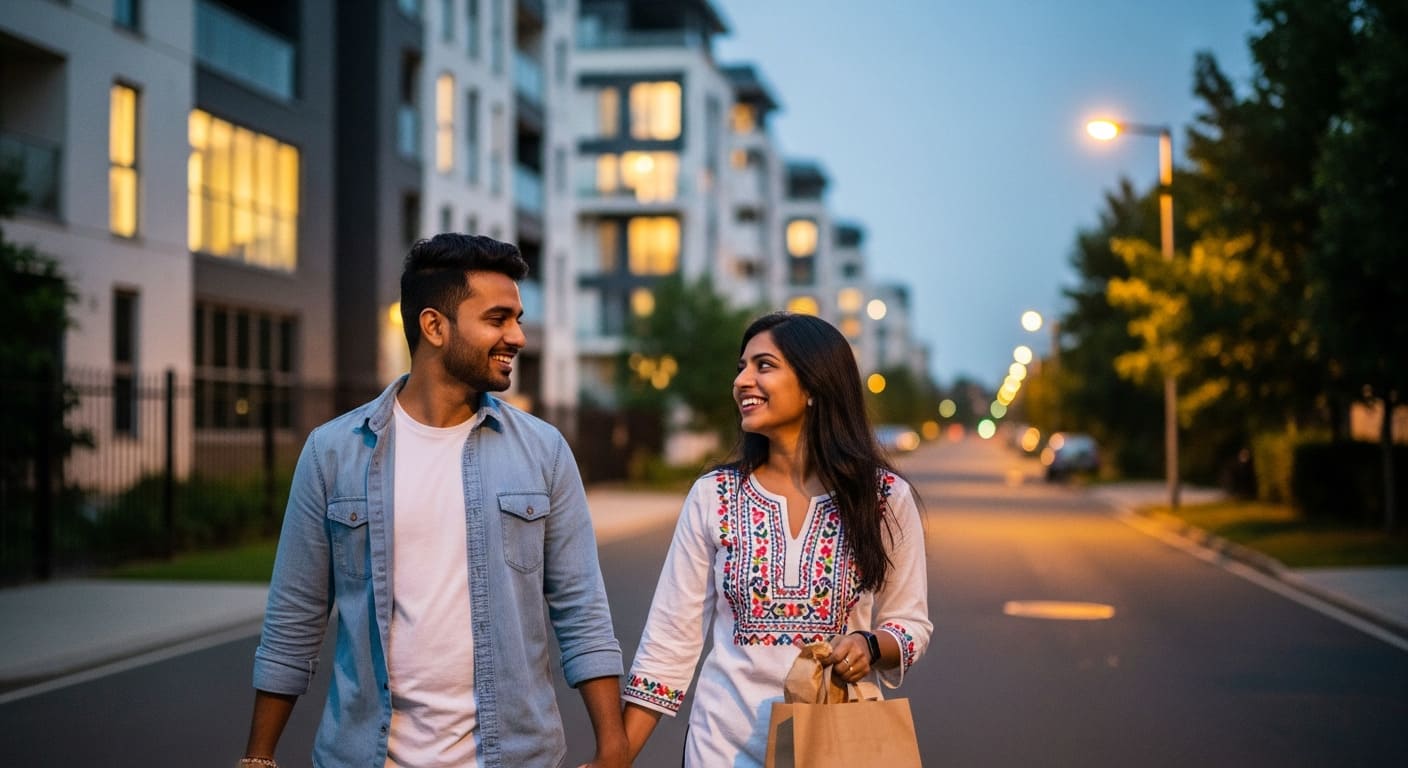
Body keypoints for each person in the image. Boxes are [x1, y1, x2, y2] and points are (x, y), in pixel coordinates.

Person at [239, 234, 628, 768]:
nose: (517, 336)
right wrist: (258, 757)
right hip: (366, 757)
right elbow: (294, 617)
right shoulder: (333, 453)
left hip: (513, 756)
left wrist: (614, 746)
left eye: (517, 318)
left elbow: (581, 608)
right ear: (434, 326)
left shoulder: (542, 451)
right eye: (498, 319)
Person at [621, 311, 932, 766]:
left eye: (763, 366)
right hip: (722, 748)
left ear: (813, 386)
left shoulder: (883, 498)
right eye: (741, 367)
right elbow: (669, 642)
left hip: (835, 746)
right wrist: (617, 755)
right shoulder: (715, 495)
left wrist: (869, 645)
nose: (743, 380)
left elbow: (911, 624)